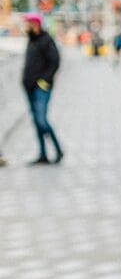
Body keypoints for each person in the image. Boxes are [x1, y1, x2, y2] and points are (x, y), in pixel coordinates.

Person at [22, 13, 63, 165]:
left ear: (36, 24)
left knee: (42, 120)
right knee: (36, 121)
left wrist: (44, 81)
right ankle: (43, 153)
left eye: (29, 24)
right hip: (29, 87)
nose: (27, 27)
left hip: (41, 88)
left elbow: (55, 62)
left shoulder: (46, 41)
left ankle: (58, 150)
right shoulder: (31, 40)